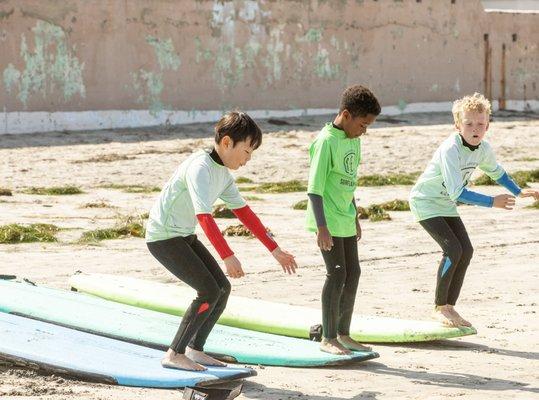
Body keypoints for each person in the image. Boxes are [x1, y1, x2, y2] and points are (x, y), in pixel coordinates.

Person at [146, 111, 297, 371]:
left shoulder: (222, 174)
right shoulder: (200, 168)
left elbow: (245, 214)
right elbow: (204, 217)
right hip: (163, 237)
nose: (248, 159)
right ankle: (174, 353)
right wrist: (227, 255)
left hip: (182, 234)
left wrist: (275, 250)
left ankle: (195, 349)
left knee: (222, 289)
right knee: (208, 291)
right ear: (227, 143)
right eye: (247, 151)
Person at [409, 93, 539, 327]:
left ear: (488, 125)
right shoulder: (451, 149)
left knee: (466, 250)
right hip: (425, 202)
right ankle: (439, 307)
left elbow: (497, 172)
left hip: (444, 204)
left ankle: (449, 307)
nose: (474, 128)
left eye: (480, 124)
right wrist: (492, 201)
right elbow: (457, 193)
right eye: (468, 124)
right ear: (457, 125)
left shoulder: (483, 148)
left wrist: (519, 191)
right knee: (453, 249)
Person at [306, 85, 381, 355]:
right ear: (346, 115)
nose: (365, 131)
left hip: (346, 217)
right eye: (363, 124)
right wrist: (321, 227)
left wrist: (356, 214)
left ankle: (344, 333)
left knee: (353, 273)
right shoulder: (325, 141)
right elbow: (314, 189)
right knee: (336, 273)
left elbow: (348, 183)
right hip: (327, 220)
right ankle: (328, 337)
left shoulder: (354, 140)